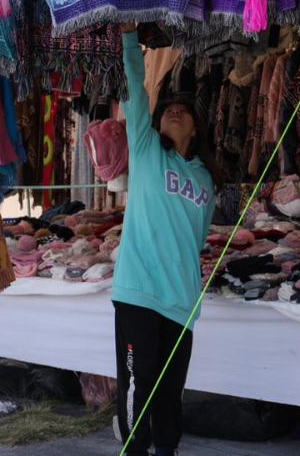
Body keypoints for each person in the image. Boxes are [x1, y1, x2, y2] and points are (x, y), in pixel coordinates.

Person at [112, 22, 215, 456]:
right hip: (138, 291)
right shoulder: (145, 147)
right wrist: (128, 38)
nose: (174, 111)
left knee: (171, 393)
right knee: (140, 386)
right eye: (168, 108)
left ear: (195, 129)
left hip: (181, 301)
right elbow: (135, 88)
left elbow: (196, 238)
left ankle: (166, 452)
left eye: (183, 110)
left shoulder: (206, 181)